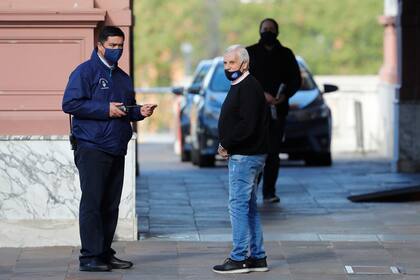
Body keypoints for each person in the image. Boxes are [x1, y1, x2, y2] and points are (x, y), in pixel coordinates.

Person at [62, 26, 157, 272]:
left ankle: (105, 253)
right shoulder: (85, 72)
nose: (117, 50)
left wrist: (139, 112)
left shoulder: (123, 77)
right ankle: (90, 257)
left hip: (116, 147)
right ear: (100, 45)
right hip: (92, 146)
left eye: (121, 46)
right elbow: (70, 103)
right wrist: (105, 109)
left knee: (110, 204)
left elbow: (126, 108)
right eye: (113, 46)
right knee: (93, 202)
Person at [213, 45, 269, 274]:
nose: (227, 67)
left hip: (245, 157)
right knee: (249, 207)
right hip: (245, 154)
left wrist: (227, 143)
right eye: (225, 63)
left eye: (231, 63)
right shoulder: (241, 85)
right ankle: (257, 257)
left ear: (243, 64)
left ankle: (238, 258)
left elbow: (247, 124)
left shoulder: (248, 86)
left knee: (237, 206)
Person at [246, 18, 302, 203]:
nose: (268, 32)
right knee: (254, 153)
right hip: (255, 112)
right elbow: (243, 79)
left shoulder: (286, 54)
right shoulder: (250, 52)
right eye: (265, 28)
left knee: (273, 153)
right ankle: (250, 191)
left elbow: (295, 80)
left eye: (271, 29)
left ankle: (269, 192)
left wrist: (284, 96)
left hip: (278, 111)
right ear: (259, 31)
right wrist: (261, 95)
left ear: (277, 32)